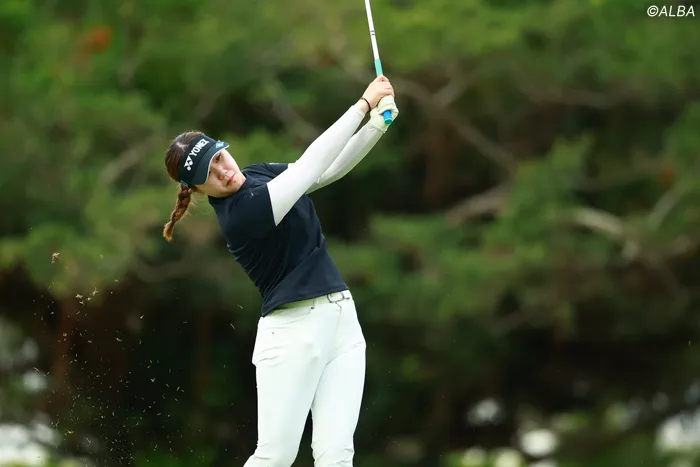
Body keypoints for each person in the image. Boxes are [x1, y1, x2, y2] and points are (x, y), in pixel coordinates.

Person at [161, 75, 399, 467]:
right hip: (293, 334)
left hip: (342, 322)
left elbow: (324, 172)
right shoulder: (241, 216)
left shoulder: (257, 173)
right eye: (207, 174)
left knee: (337, 453)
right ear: (197, 189)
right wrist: (362, 106)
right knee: (276, 456)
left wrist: (376, 125)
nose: (222, 171)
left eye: (219, 158)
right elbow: (307, 168)